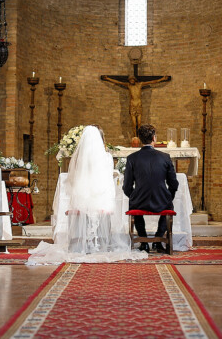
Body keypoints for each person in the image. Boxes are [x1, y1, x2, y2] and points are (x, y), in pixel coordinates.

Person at [28, 125, 146, 264]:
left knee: (86, 204)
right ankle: (101, 243)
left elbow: (72, 180)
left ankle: (80, 244)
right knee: (104, 203)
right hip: (100, 199)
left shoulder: (78, 159)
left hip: (82, 199)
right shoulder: (106, 157)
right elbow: (107, 180)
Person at [123, 123, 179, 253]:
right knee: (169, 206)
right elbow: (174, 184)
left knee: (133, 205)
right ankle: (158, 240)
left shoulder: (132, 158)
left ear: (139, 139)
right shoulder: (165, 157)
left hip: (139, 201)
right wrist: (168, 197)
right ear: (154, 138)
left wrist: (134, 196)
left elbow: (127, 186)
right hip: (161, 201)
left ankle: (143, 242)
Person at [100, 74, 170, 139]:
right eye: (130, 80)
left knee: (139, 123)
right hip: (132, 105)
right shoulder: (128, 85)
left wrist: (162, 79)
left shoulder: (140, 84)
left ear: (134, 79)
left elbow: (152, 82)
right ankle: (135, 137)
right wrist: (108, 78)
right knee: (133, 123)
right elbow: (118, 82)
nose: (131, 81)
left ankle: (139, 136)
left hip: (138, 105)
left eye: (132, 79)